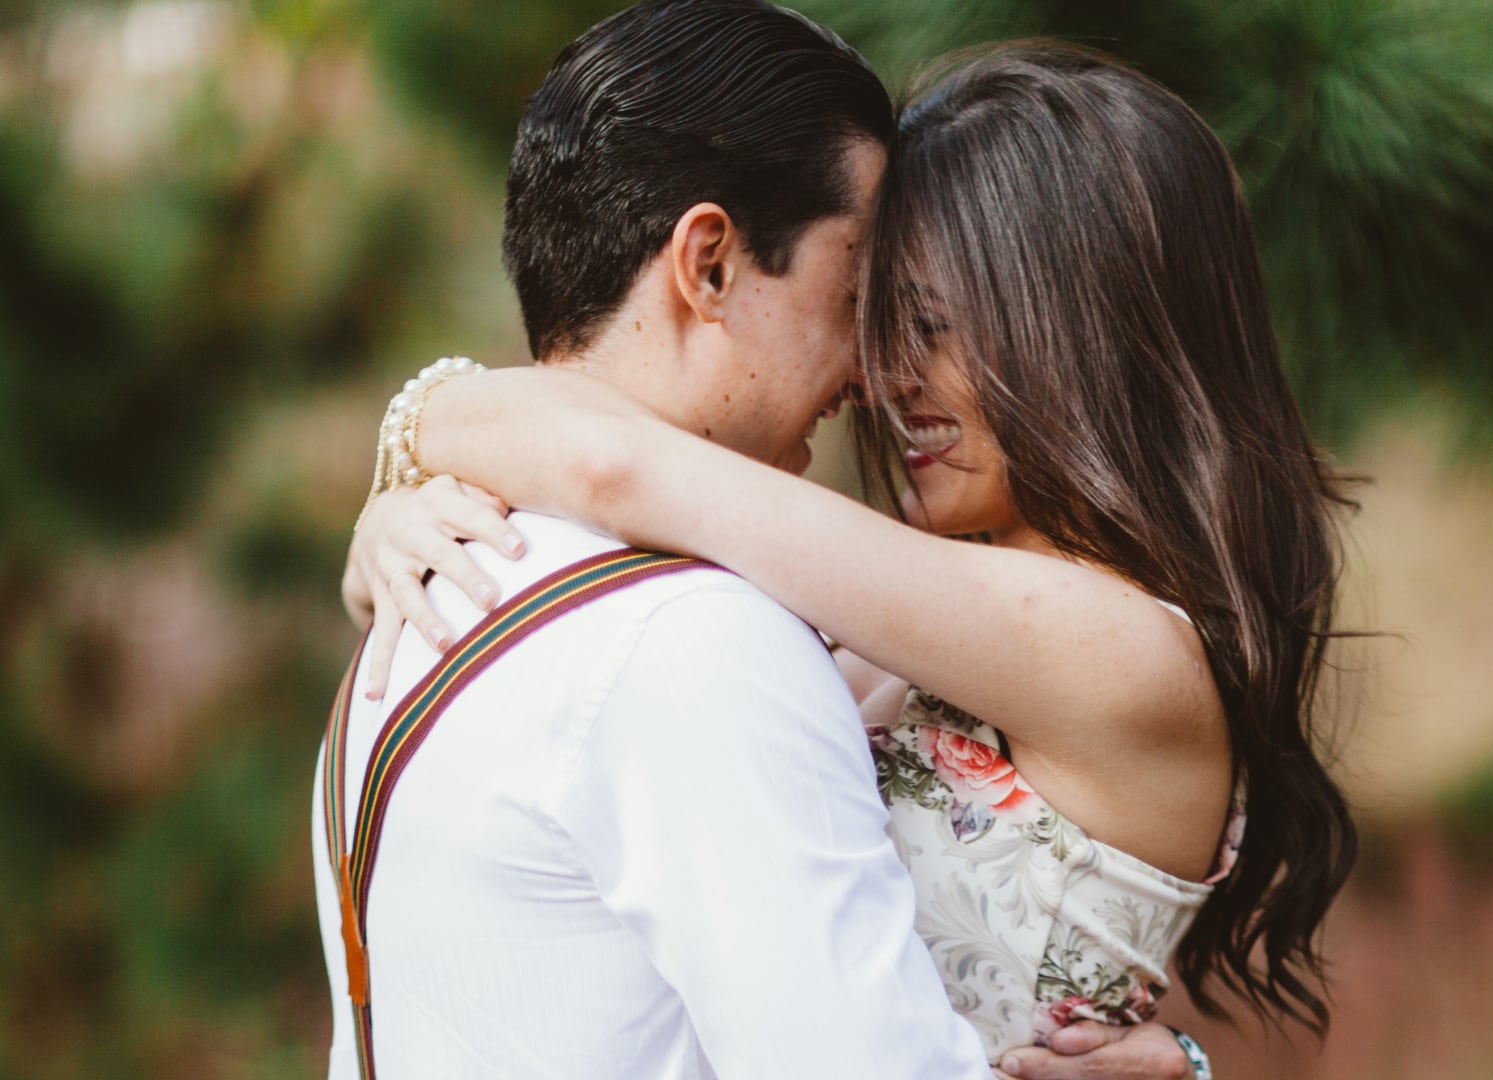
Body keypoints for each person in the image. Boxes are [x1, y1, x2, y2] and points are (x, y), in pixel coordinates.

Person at [350, 39, 1357, 1077]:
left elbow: (619, 467)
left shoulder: (1110, 645)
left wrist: (421, 421)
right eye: (877, 318)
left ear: (1086, 330)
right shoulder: (939, 605)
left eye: (929, 324)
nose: (884, 378)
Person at [316, 4, 1009, 1077]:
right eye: (857, 288)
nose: (873, 373)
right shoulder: (693, 640)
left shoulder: (428, 594)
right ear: (711, 262)